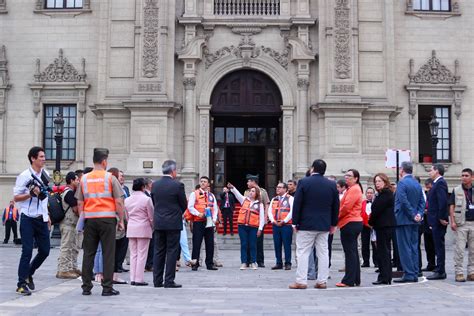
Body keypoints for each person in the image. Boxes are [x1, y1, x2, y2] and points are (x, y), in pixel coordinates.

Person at [77, 148, 125, 296]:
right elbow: (118, 201)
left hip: (90, 220)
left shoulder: (84, 178)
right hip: (107, 220)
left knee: (88, 253)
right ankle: (107, 287)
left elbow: (79, 202)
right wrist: (121, 220)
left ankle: (86, 286)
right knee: (108, 253)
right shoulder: (110, 178)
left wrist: (83, 219)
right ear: (105, 161)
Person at [289, 159, 339, 289]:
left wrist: (295, 222)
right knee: (323, 252)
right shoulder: (332, 184)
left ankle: (301, 281)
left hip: (306, 224)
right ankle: (322, 281)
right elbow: (335, 206)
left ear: (312, 168)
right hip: (324, 224)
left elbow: (297, 203)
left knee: (303, 252)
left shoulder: (304, 182)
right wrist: (334, 223)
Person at [13, 146, 51, 296]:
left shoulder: (45, 174)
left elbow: (46, 197)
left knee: (45, 251)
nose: (44, 159)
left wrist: (48, 216)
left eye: (44, 156)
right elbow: (16, 197)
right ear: (33, 158)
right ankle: (21, 283)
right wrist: (30, 194)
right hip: (27, 218)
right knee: (27, 250)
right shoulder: (24, 176)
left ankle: (29, 272)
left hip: (41, 218)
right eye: (41, 157)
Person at [151, 160, 187, 288]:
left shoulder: (155, 185)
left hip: (159, 222)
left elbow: (154, 202)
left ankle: (157, 280)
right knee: (172, 251)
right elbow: (184, 204)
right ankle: (169, 280)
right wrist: (177, 213)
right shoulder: (178, 185)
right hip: (173, 222)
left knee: (158, 251)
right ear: (173, 171)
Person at [393, 161, 425, 283]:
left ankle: (409, 273)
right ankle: (415, 272)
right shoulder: (417, 183)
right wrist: (419, 214)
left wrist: (412, 214)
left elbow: (403, 201)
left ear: (402, 170)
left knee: (404, 247)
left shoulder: (402, 183)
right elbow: (422, 200)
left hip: (403, 219)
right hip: (415, 220)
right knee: (414, 247)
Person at [336, 169, 363, 287]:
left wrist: (336, 217)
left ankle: (349, 280)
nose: (346, 178)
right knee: (353, 252)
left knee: (350, 252)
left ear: (356, 178)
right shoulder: (353, 189)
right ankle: (355, 278)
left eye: (349, 176)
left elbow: (346, 207)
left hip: (350, 222)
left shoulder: (354, 189)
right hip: (352, 222)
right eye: (346, 175)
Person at [228, 182, 265, 270]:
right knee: (244, 244)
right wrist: (232, 188)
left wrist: (260, 229)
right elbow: (237, 194)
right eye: (250, 191)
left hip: (253, 227)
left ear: (257, 193)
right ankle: (244, 262)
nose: (250, 192)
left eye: (253, 191)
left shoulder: (260, 204)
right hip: (242, 226)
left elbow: (262, 218)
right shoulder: (244, 200)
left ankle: (253, 262)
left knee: (252, 245)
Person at [125, 178, 154, 286]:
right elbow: (151, 216)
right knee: (142, 254)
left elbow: (126, 216)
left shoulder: (127, 199)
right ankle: (139, 278)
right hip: (144, 227)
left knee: (133, 254)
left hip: (132, 227)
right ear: (143, 187)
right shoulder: (146, 199)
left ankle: (132, 277)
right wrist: (152, 226)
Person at [369, 173, 396, 285]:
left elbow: (376, 209)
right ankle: (384, 276)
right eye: (376, 181)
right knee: (383, 252)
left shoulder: (386, 194)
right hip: (381, 226)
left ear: (385, 182)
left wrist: (370, 222)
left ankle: (385, 277)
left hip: (384, 226)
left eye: (379, 181)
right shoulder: (381, 194)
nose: (377, 183)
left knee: (384, 252)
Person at [188, 176, 219, 271]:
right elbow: (190, 207)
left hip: (209, 222)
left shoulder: (211, 195)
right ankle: (195, 263)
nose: (202, 183)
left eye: (205, 181)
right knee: (197, 243)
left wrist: (214, 219)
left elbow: (215, 209)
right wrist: (198, 214)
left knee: (210, 243)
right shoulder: (194, 194)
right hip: (199, 221)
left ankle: (209, 263)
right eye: (201, 181)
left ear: (208, 184)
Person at [448, 168, 474, 282]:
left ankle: (471, 272)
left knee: (473, 250)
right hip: (461, 224)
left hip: (473, 223)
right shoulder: (456, 189)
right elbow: (452, 206)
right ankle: (459, 272)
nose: (463, 177)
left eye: (466, 175)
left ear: (472, 177)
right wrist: (452, 221)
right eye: (462, 175)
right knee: (460, 249)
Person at [426, 163, 449, 280]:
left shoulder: (440, 183)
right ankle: (439, 268)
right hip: (435, 220)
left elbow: (443, 202)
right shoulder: (437, 183)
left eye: (431, 170)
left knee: (439, 246)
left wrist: (441, 217)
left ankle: (440, 271)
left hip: (438, 220)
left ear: (437, 171)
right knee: (437, 245)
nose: (429, 172)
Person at [56, 171, 81, 279]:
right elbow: (76, 209)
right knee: (66, 247)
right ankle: (63, 270)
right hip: (68, 224)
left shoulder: (69, 192)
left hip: (71, 224)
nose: (78, 181)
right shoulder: (69, 193)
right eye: (76, 180)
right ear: (71, 181)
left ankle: (71, 268)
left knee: (72, 247)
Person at [244, 174, 270, 268]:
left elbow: (266, 204)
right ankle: (248, 260)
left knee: (259, 241)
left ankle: (260, 260)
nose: (247, 183)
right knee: (247, 241)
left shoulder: (263, 192)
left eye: (248, 181)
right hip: (248, 220)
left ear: (253, 182)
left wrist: (266, 217)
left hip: (258, 219)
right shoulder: (246, 192)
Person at [268, 182, 294, 270]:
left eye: (280, 187)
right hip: (276, 225)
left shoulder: (290, 198)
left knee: (287, 244)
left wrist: (284, 221)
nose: (277, 189)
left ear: (285, 189)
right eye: (277, 187)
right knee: (277, 244)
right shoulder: (274, 199)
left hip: (286, 225)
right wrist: (273, 221)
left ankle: (288, 263)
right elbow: (269, 211)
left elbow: (292, 211)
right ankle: (278, 262)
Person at [421, 178, 436, 272]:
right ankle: (430, 263)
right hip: (426, 222)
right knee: (428, 245)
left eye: (429, 188)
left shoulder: (435, 194)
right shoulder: (425, 194)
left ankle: (437, 264)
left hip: (433, 222)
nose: (428, 190)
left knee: (435, 245)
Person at [361, 187, 377, 268]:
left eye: (371, 193)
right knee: (365, 244)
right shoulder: (363, 203)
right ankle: (366, 261)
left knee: (375, 244)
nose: (369, 194)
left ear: (374, 194)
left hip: (374, 226)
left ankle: (376, 261)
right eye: (368, 193)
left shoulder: (376, 203)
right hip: (364, 226)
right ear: (365, 194)